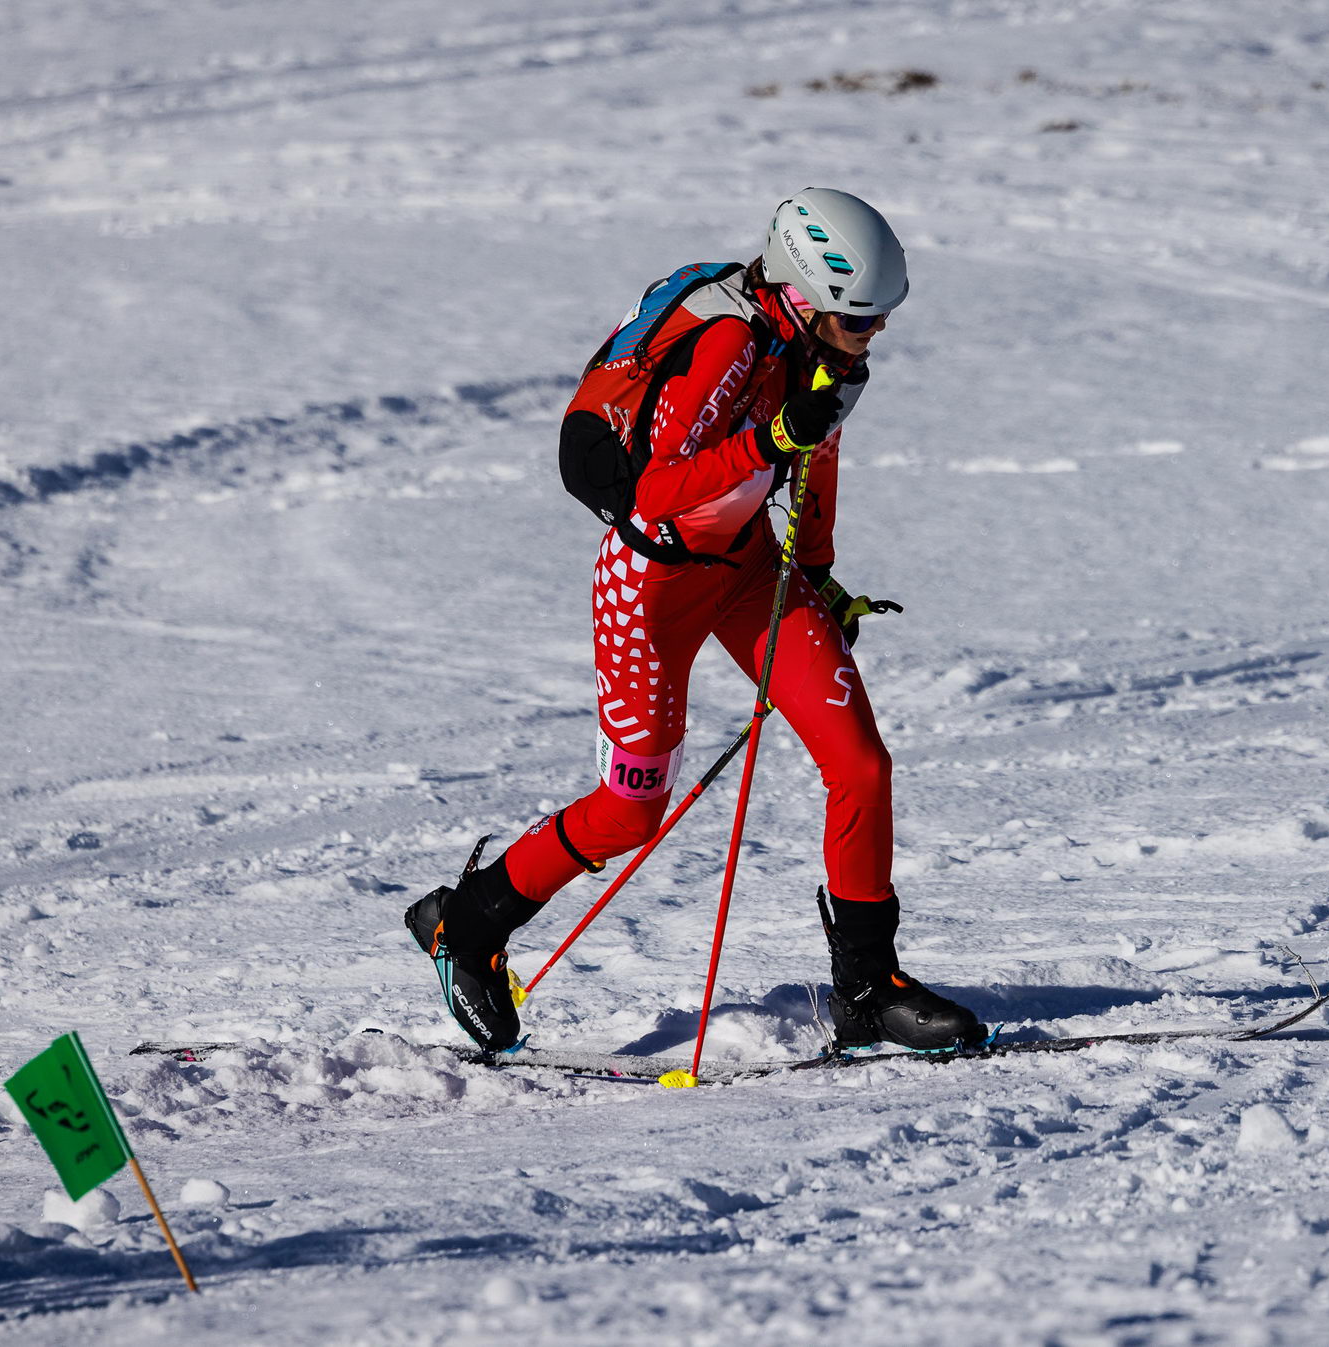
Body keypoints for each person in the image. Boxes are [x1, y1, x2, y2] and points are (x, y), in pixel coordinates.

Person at [404, 189, 983, 1057]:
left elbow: (817, 456)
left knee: (860, 763)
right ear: (802, 295)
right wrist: (769, 441)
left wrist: (818, 574)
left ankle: (867, 986)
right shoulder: (727, 346)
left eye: (880, 316)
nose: (876, 333)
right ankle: (470, 923)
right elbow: (652, 492)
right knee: (630, 811)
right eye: (859, 317)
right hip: (651, 586)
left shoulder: (824, 356)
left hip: (752, 571)